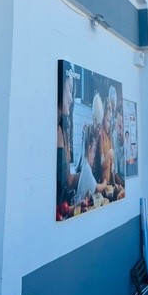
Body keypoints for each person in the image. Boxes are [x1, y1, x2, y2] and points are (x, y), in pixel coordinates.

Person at [57, 64, 79, 206]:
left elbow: (68, 181)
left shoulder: (62, 131)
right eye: (70, 90)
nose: (71, 99)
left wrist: (87, 176)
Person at [76, 125, 107, 200]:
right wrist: (105, 183)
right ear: (89, 148)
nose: (94, 156)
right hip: (81, 205)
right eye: (94, 151)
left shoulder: (85, 164)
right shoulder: (86, 167)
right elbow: (97, 188)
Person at [98, 98, 114, 184]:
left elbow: (112, 164)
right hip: (102, 182)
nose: (109, 124)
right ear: (103, 118)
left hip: (109, 182)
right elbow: (101, 165)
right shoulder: (101, 134)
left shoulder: (109, 137)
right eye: (107, 120)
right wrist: (109, 155)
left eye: (110, 121)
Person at [112, 104, 125, 185]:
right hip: (119, 182)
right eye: (117, 124)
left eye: (120, 126)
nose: (118, 130)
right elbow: (115, 168)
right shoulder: (115, 134)